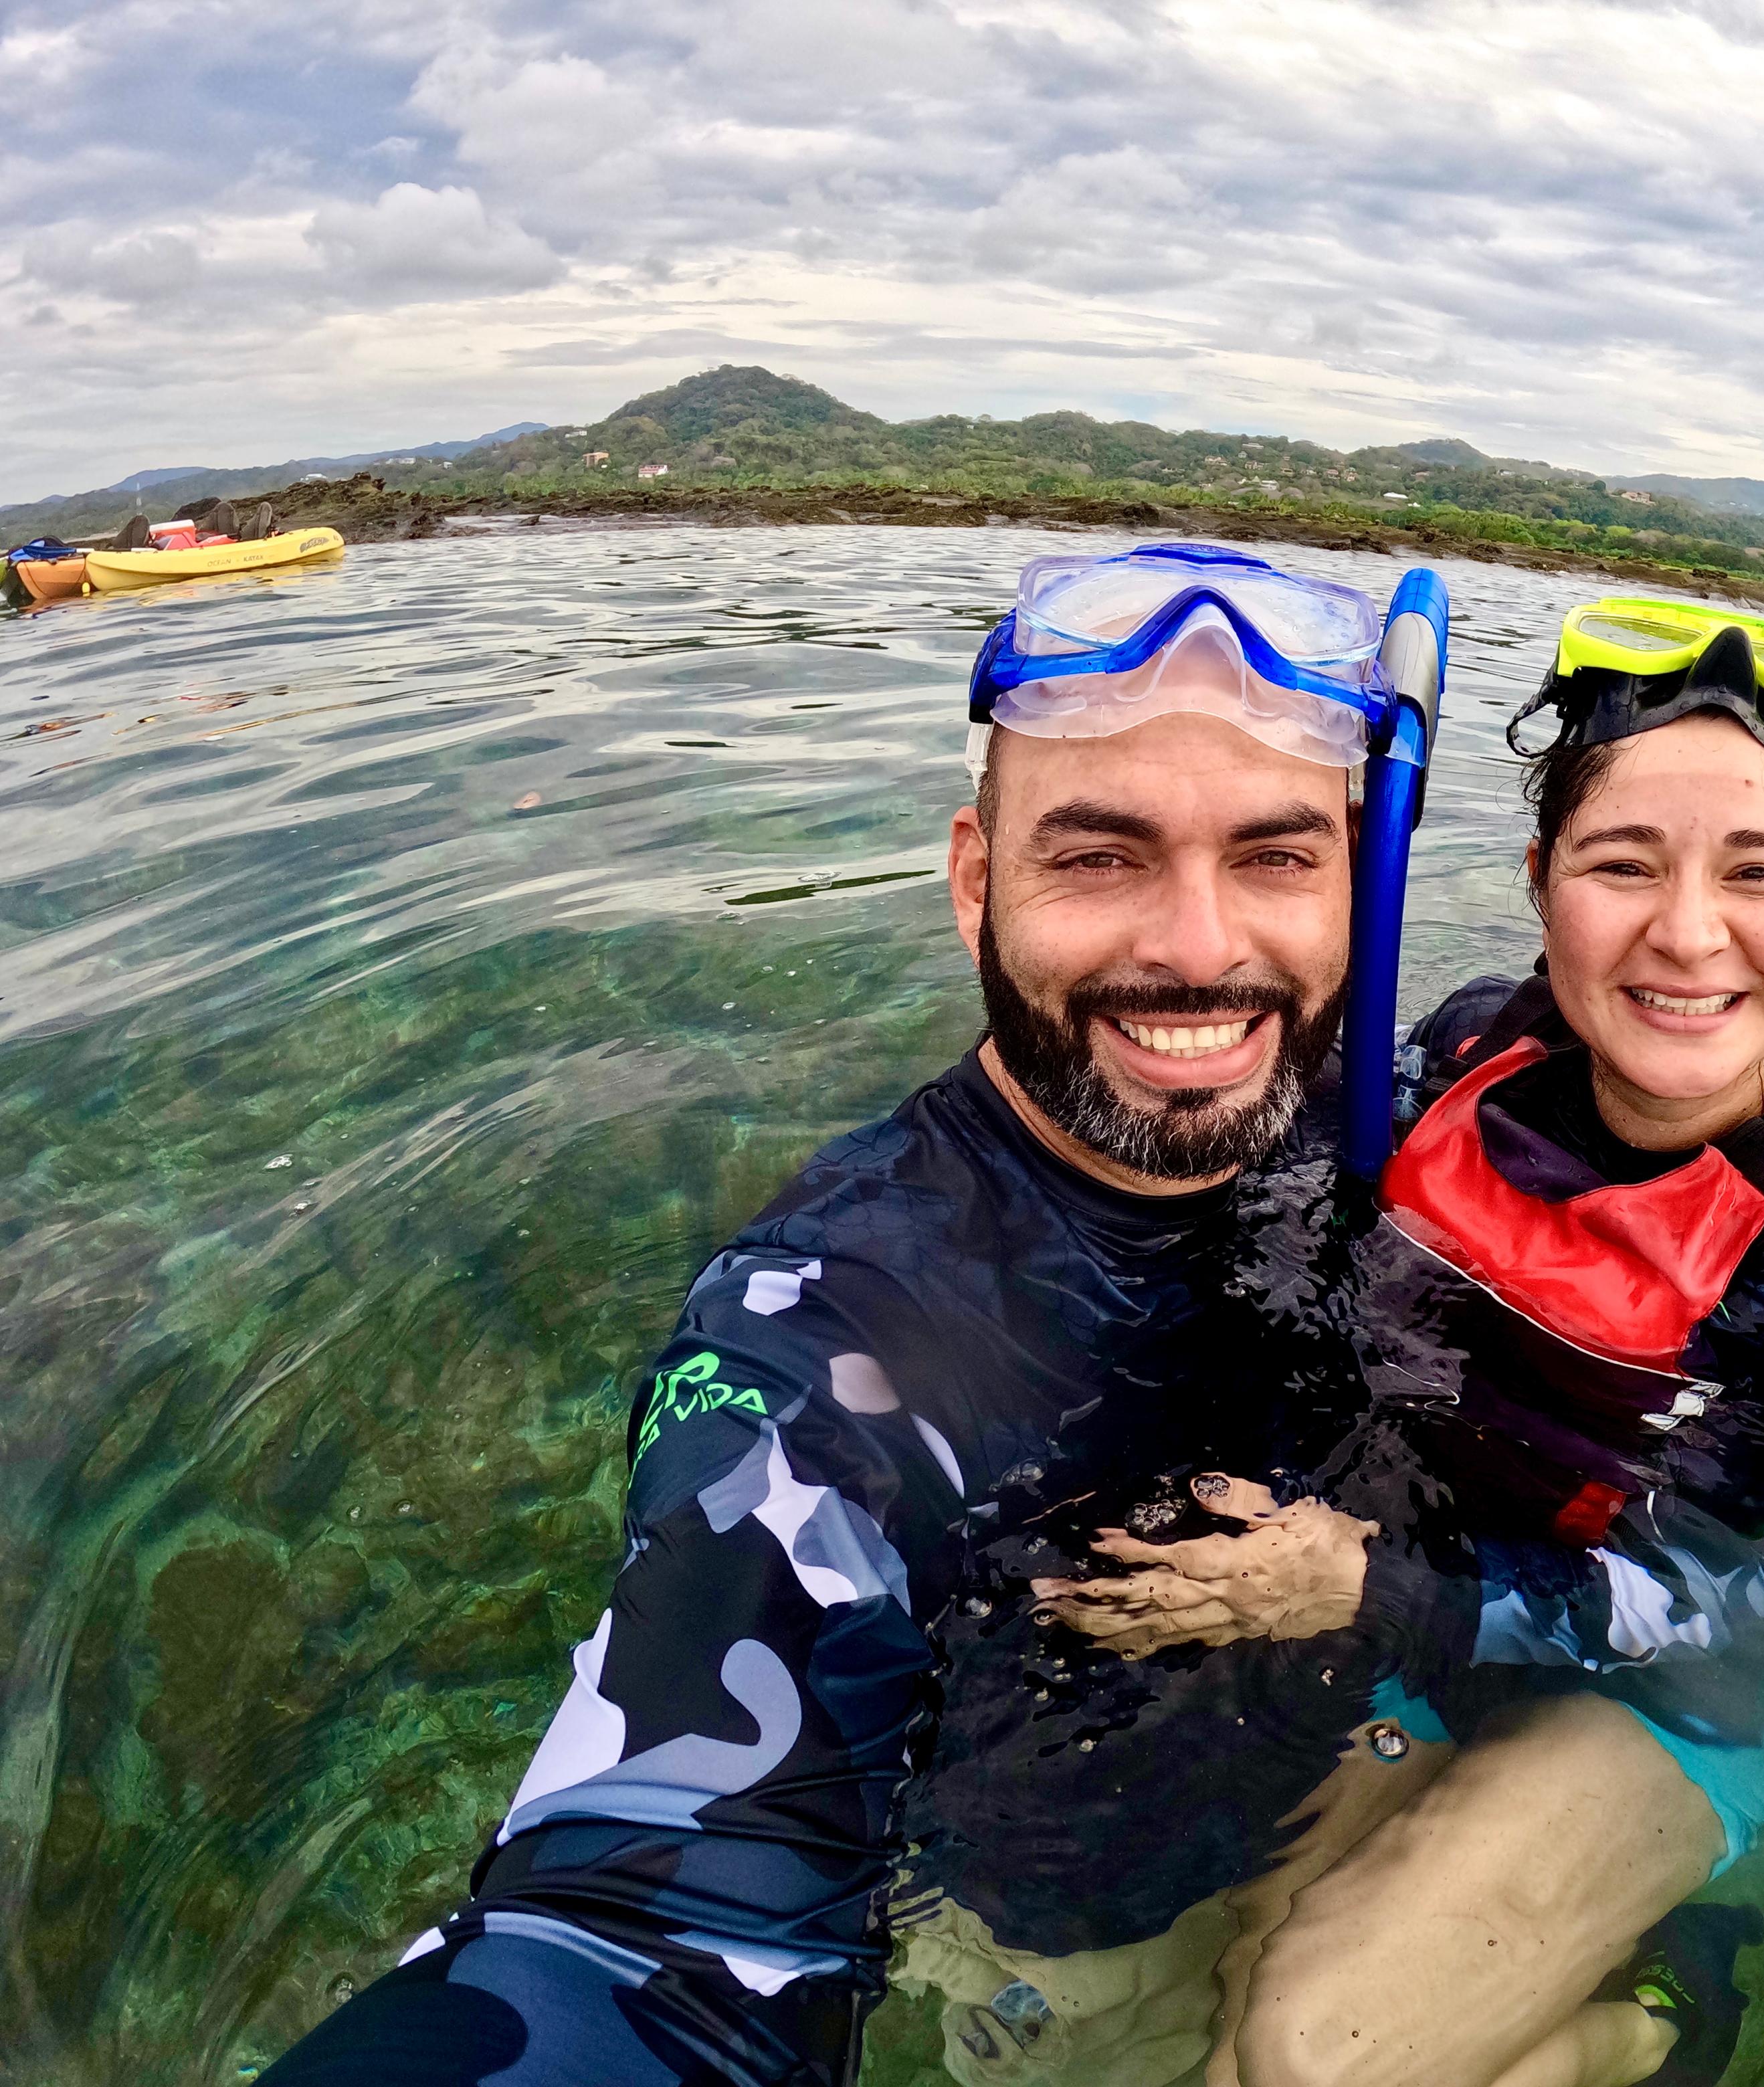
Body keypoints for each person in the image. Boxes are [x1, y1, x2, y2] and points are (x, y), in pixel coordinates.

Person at [258, 544, 1470, 2087]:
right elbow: (641, 1925)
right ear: (975, 878)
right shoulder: (830, 1331)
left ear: (1358, 882)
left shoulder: (1386, 1103)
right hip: (1085, 1907)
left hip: (1353, 1761)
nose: (1198, 946)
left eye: (1276, 857)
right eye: (1098, 857)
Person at [1042, 598, 1764, 2087]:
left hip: (1676, 1698)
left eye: (1758, 873)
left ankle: (1665, 2018)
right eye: (1624, 866)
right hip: (1420, 1606)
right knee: (1221, 1974)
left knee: (1302, 2054)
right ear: (1543, 884)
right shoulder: (1451, 1063)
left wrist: (1377, 1592)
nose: (1688, 933)